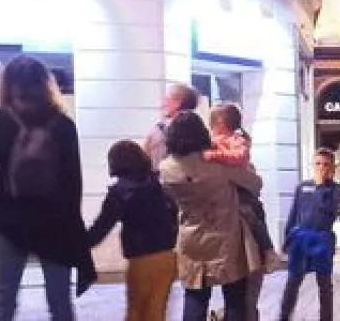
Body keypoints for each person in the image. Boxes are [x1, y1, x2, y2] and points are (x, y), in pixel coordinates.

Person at [0, 55, 93, 321]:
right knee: (60, 303)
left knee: (2, 301)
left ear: (7, 85)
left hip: (5, 223)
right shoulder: (64, 125)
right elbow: (73, 184)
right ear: (47, 84)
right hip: (55, 224)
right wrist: (72, 227)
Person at [160, 110, 265, 321]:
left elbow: (169, 198)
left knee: (195, 296)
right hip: (226, 236)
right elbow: (255, 184)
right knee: (234, 296)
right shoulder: (216, 163)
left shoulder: (166, 168)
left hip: (191, 238)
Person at [87, 140, 179, 321]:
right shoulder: (157, 182)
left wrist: (78, 244)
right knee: (156, 313)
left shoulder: (120, 192)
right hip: (168, 257)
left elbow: (101, 227)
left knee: (136, 313)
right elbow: (173, 211)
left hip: (141, 260)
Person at [204, 104, 274, 317]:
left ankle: (269, 249)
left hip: (244, 205)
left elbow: (238, 158)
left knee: (252, 213)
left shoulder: (236, 141)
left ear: (220, 125)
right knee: (242, 299)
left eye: (212, 125)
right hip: (231, 237)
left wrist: (215, 155)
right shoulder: (212, 142)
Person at [277, 149, 340, 321]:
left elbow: (330, 213)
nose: (322, 168)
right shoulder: (302, 187)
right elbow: (293, 214)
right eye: (318, 164)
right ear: (312, 165)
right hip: (301, 240)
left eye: (326, 164)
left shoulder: (336, 189)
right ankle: (284, 317)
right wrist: (286, 242)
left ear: (333, 168)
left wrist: (321, 187)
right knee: (293, 282)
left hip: (322, 240)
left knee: (325, 285)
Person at [144, 83, 200, 168]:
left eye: (166, 99)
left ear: (178, 103)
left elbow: (145, 158)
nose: (162, 103)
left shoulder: (157, 132)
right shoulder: (200, 133)